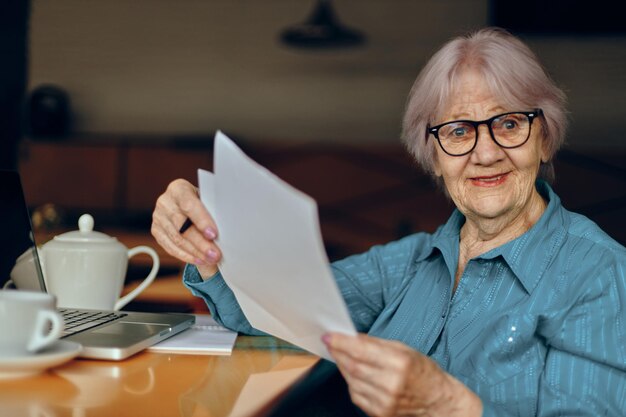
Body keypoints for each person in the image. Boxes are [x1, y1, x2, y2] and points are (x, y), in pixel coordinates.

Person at [151, 27, 626, 416]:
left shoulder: (598, 274)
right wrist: (206, 236)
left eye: (508, 124)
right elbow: (271, 311)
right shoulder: (410, 262)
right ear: (434, 157)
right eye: (458, 131)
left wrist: (450, 406)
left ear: (543, 138)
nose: (485, 153)